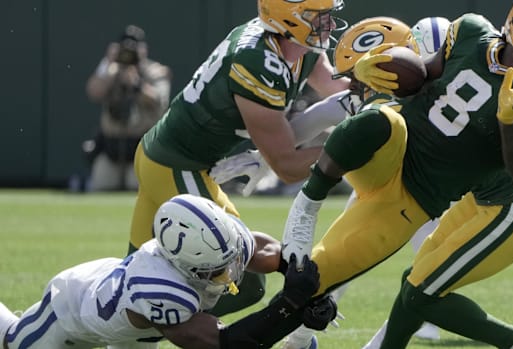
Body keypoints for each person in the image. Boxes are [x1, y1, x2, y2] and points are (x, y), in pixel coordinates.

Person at [274, 0, 513, 348]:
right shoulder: (468, 37)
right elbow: (417, 82)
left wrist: (508, 122)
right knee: (415, 285)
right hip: (470, 194)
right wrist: (370, 73)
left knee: (422, 293)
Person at [127, 0, 349, 319]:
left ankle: (129, 325)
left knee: (131, 277)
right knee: (243, 279)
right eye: (318, 17)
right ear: (291, 18)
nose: (327, 24)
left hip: (171, 158)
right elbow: (286, 165)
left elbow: (338, 88)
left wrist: (380, 90)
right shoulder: (258, 61)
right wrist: (353, 151)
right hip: (176, 164)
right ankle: (172, 327)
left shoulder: (295, 45)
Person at [0, 194, 335, 349]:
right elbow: (228, 343)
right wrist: (291, 307)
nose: (231, 272)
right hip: (71, 310)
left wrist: (298, 274)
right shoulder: (160, 289)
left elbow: (260, 250)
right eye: (217, 271)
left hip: (134, 335)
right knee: (13, 341)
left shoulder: (219, 240)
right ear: (183, 266)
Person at [85, 24, 171, 191]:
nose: (129, 52)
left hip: (141, 149)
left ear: (144, 49)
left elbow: (160, 101)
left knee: (138, 188)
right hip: (111, 148)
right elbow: (93, 92)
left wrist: (137, 84)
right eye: (125, 47)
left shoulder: (154, 71)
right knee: (101, 184)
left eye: (135, 47)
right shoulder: (110, 71)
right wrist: (107, 63)